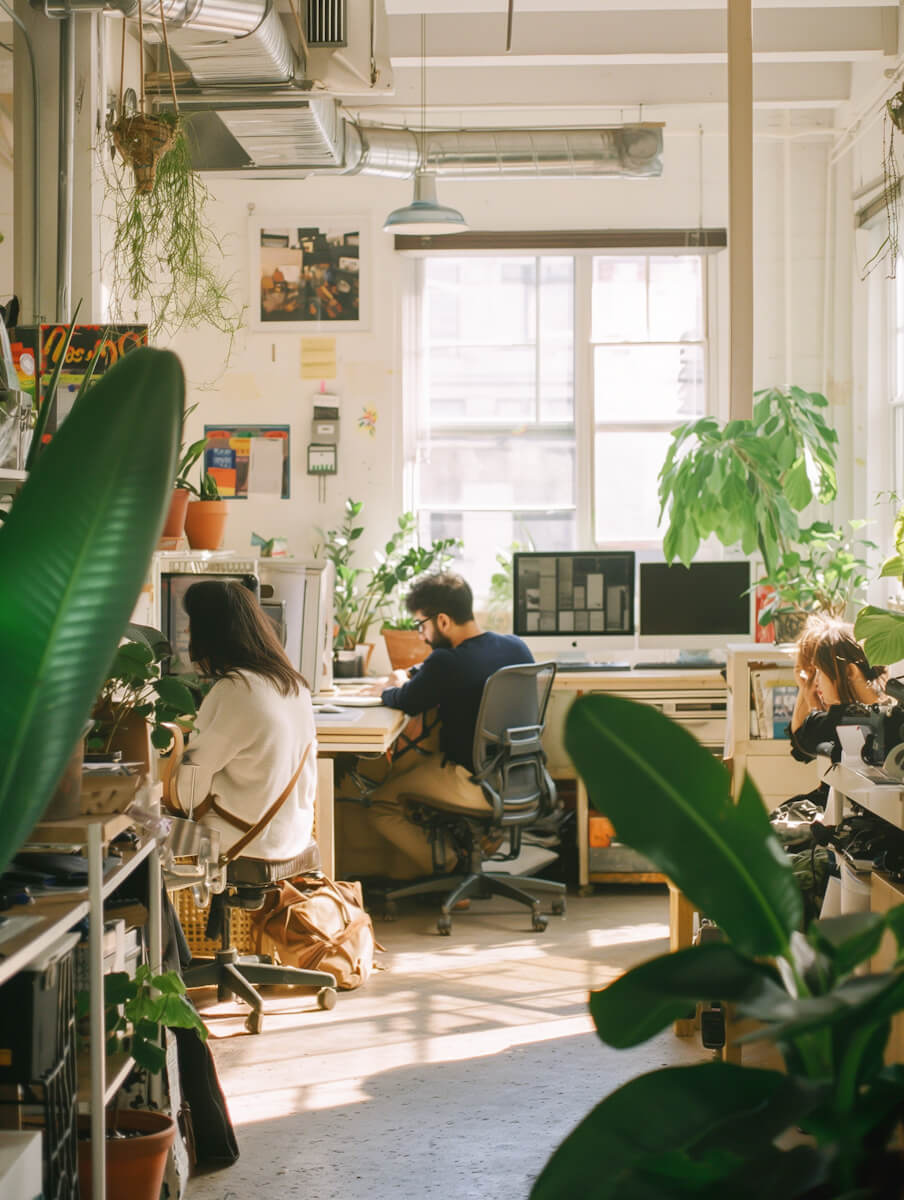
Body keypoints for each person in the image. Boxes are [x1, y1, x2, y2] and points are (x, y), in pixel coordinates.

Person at [336, 572, 533, 880]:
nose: (421, 635)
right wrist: (412, 672)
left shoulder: (447, 663)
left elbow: (406, 700)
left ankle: (450, 866)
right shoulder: (515, 647)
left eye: (421, 625)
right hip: (520, 775)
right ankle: (472, 848)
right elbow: (434, 670)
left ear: (442, 621)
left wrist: (390, 687)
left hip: (471, 781)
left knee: (381, 803)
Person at [164, 580, 317, 861]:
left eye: (192, 623)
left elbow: (189, 793)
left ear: (211, 631)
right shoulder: (295, 685)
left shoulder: (236, 689)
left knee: (140, 833)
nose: (187, 631)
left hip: (245, 838)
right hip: (295, 836)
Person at [790, 615, 886, 764]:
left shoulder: (846, 718)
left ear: (849, 672)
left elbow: (802, 740)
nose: (816, 681)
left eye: (820, 672)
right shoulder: (888, 710)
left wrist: (805, 689)